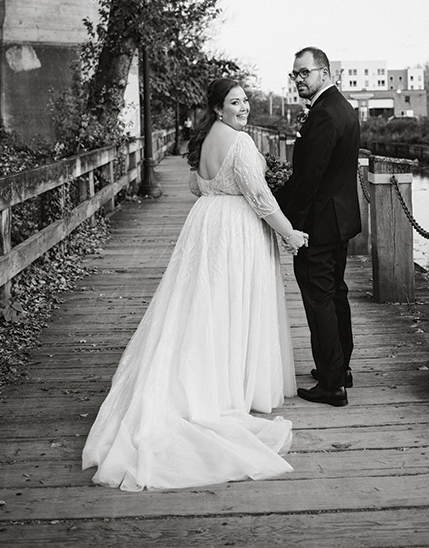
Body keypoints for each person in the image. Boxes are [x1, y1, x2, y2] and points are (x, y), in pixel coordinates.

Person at [82, 78, 306, 491]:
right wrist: (289, 233)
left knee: (204, 304)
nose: (244, 108)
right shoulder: (239, 143)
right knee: (227, 303)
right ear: (218, 108)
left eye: (246, 101)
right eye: (235, 102)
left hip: (206, 225)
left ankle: (215, 377)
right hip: (235, 229)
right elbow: (259, 198)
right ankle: (226, 388)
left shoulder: (205, 141)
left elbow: (194, 186)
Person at [275, 47, 362, 406]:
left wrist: (283, 220)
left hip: (319, 224)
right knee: (335, 293)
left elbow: (309, 179)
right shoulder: (343, 107)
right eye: (294, 74)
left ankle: (331, 384)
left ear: (323, 74)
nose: (298, 80)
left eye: (304, 73)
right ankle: (339, 369)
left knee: (319, 299)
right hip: (338, 220)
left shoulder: (324, 115)